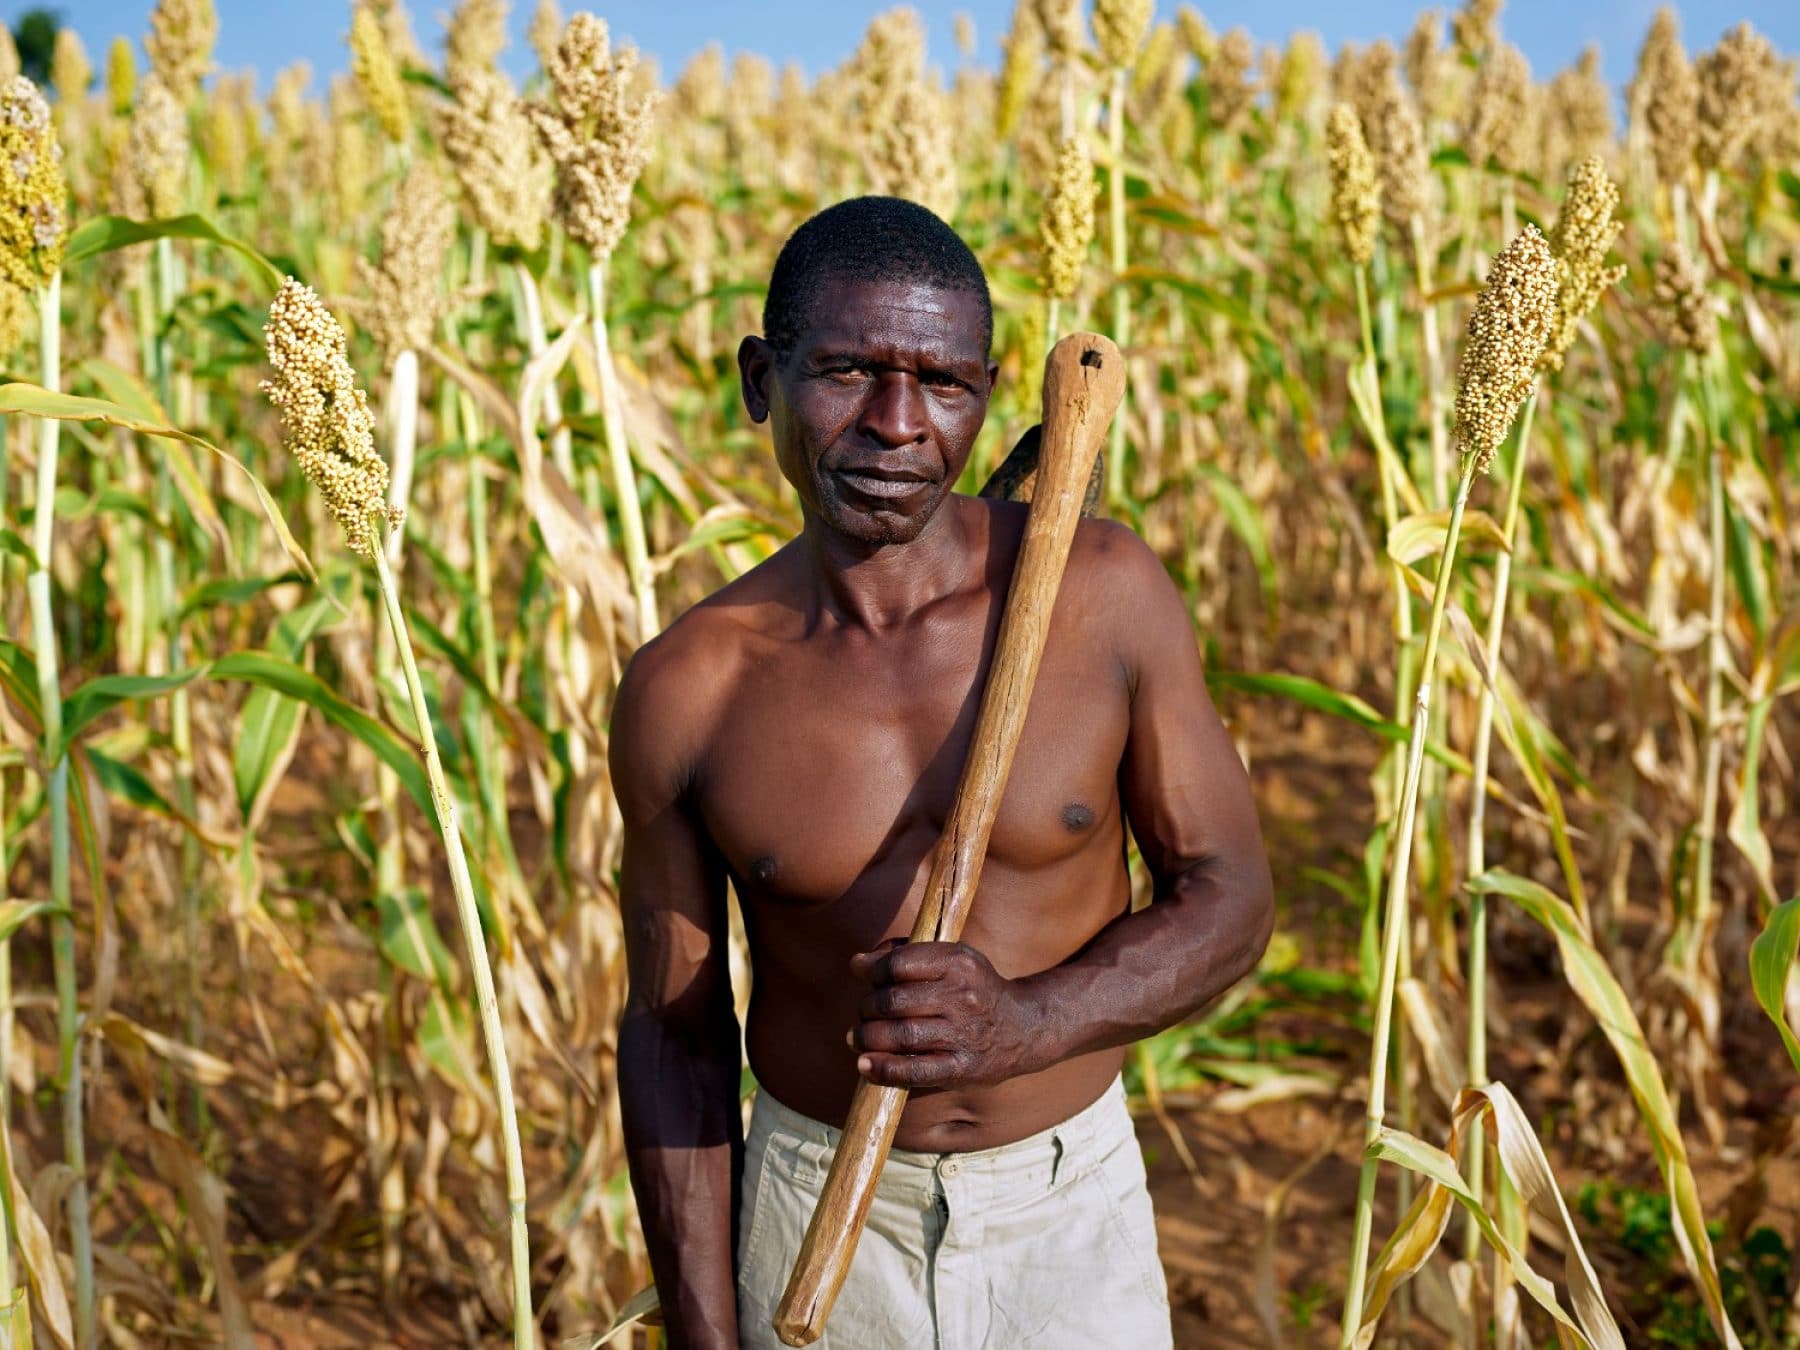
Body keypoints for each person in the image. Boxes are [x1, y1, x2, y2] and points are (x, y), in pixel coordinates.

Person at [611, 196, 1273, 1349]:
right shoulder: (692, 687)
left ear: (989, 390)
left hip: (1066, 1212)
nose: (898, 426)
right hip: (814, 1212)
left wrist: (1030, 1021)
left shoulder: (1100, 594)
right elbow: (676, 1036)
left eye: (945, 385)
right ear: (761, 380)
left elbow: (1231, 898)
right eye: (849, 372)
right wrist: (704, 1336)